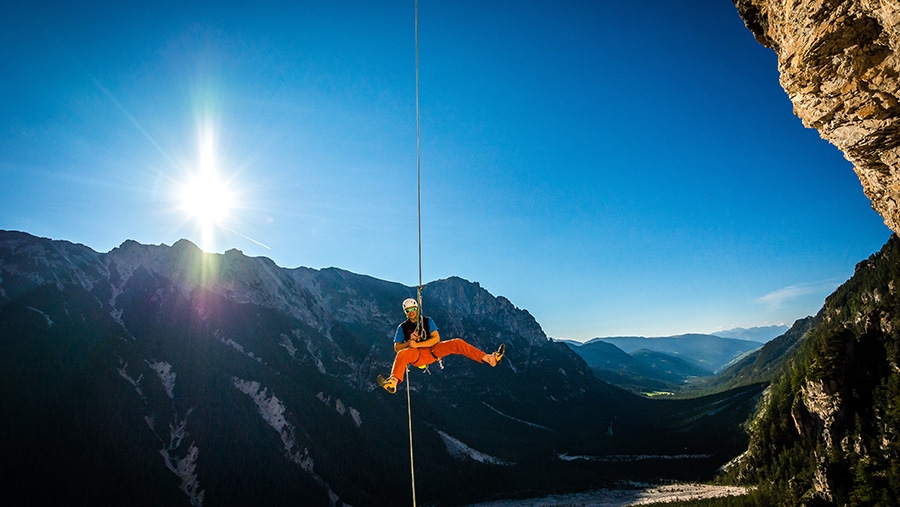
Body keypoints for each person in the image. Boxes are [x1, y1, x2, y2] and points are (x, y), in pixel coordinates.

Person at [378, 298, 505, 394]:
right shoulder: (402, 327)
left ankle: (490, 359)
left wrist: (417, 343)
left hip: (432, 350)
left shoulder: (427, 321)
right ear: (405, 312)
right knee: (402, 354)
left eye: (413, 309)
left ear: (417, 309)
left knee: (457, 343)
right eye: (408, 311)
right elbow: (397, 348)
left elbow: (436, 338)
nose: (411, 312)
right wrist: (409, 344)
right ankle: (393, 382)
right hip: (416, 355)